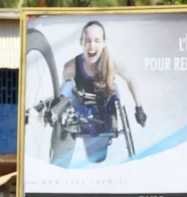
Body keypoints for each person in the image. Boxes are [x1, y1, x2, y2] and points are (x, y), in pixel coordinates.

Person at [60, 21, 146, 163]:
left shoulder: (113, 62)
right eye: (88, 41)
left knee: (98, 158)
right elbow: (63, 93)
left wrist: (139, 108)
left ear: (104, 43)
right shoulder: (71, 67)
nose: (92, 45)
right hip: (82, 116)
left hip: (104, 114)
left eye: (97, 41)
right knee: (68, 86)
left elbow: (130, 80)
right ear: (81, 42)